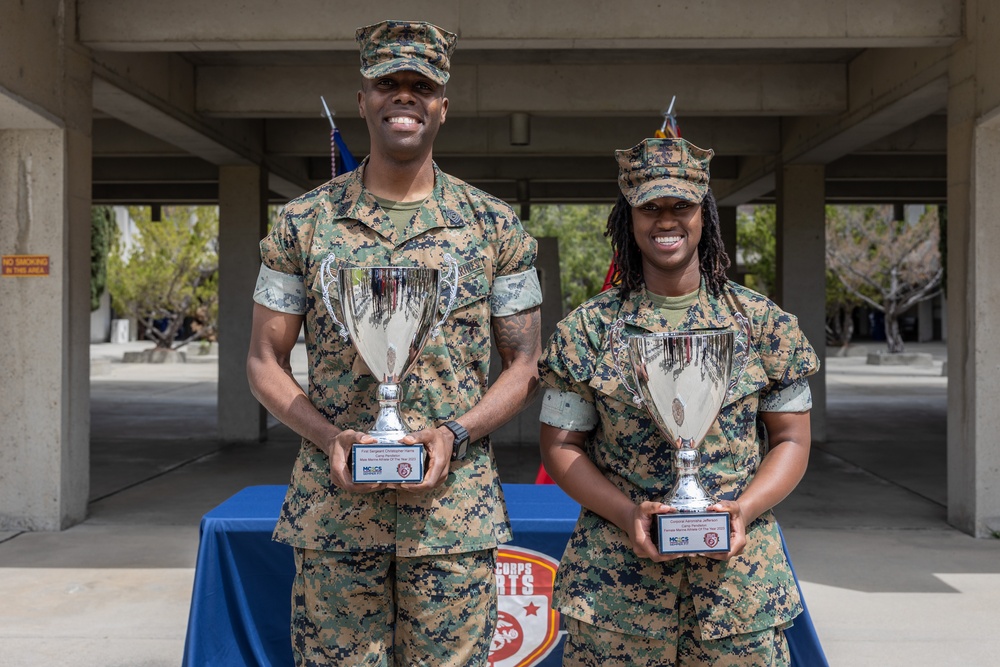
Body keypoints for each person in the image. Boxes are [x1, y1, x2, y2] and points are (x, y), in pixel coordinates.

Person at [246, 19, 542, 667]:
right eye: (387, 83)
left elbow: (524, 366)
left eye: (420, 85)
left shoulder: (495, 228)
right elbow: (264, 361)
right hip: (335, 519)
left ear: (442, 106)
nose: (402, 96)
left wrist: (455, 433)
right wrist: (330, 438)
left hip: (451, 520)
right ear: (362, 100)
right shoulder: (301, 224)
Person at [538, 137, 819, 666]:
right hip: (617, 592)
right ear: (630, 217)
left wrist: (745, 509)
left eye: (680, 206)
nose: (665, 221)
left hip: (738, 594)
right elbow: (561, 445)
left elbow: (791, 438)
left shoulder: (762, 325)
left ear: (704, 213)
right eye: (650, 208)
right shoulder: (588, 331)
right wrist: (627, 514)